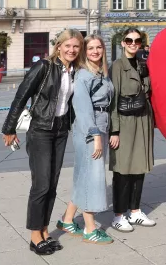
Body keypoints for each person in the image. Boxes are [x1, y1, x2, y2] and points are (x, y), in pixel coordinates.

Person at [1, 29, 83, 255]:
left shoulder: (75, 71)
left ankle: (45, 230)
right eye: (68, 45)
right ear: (59, 46)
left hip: (60, 131)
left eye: (76, 46)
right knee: (42, 184)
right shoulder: (43, 67)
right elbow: (21, 95)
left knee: (53, 184)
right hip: (40, 131)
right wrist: (9, 128)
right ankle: (35, 236)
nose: (71, 50)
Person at [58, 35, 114, 244]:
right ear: (85, 51)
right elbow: (82, 109)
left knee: (84, 174)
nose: (95, 51)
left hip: (101, 124)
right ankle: (90, 229)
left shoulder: (102, 73)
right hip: (90, 129)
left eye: (98, 47)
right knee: (93, 176)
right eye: (90, 48)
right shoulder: (83, 75)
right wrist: (96, 135)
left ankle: (67, 219)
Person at [109, 28, 155, 232]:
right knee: (122, 170)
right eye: (129, 40)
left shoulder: (143, 64)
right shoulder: (117, 67)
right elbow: (113, 100)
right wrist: (114, 130)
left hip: (143, 119)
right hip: (125, 122)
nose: (133, 43)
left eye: (137, 40)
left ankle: (135, 211)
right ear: (122, 43)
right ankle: (119, 215)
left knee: (139, 167)